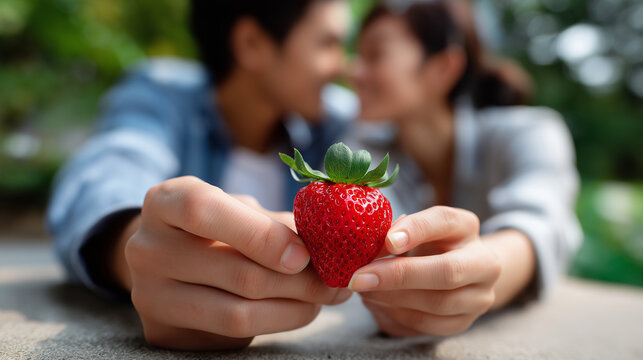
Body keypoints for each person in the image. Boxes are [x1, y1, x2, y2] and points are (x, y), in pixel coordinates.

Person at [46, 0, 357, 351]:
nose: (344, 66)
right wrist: (131, 242)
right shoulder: (162, 92)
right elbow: (107, 172)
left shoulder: (335, 119)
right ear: (251, 44)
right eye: (328, 43)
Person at [344, 0, 582, 337]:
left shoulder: (531, 132)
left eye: (375, 55)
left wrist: (485, 273)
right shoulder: (362, 150)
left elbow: (541, 225)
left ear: (443, 67)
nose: (353, 71)